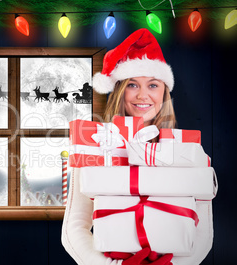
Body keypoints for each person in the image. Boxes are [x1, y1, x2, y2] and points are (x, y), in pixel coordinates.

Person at [61, 28, 213, 265]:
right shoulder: (95, 146)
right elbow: (75, 226)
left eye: (153, 85)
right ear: (120, 90)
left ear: (164, 91)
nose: (143, 95)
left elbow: (202, 231)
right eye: (132, 85)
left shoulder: (187, 150)